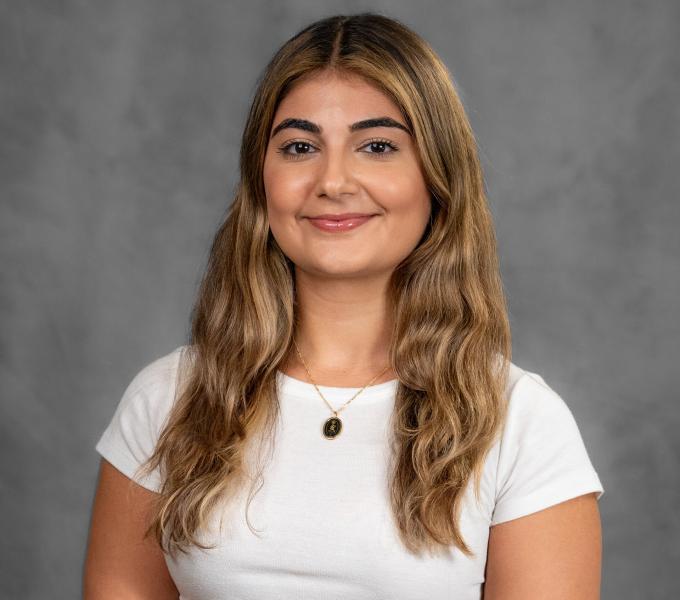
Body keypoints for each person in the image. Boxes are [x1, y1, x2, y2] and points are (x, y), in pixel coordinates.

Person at [83, 12, 605, 599]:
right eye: (300, 147)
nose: (333, 180)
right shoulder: (169, 399)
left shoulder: (521, 423)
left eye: (377, 146)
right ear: (262, 182)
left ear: (436, 178)